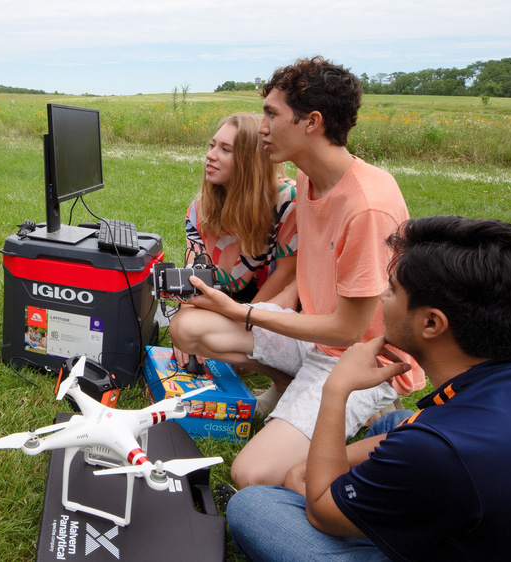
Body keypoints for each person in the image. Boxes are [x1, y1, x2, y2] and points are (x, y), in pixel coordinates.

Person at [226, 215, 511, 561]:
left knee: (255, 508)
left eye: (392, 289)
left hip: (455, 484)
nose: (380, 297)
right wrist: (312, 473)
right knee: (397, 424)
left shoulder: (440, 449)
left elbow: (322, 509)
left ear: (432, 323)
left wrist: (337, 389)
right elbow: (421, 441)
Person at [169, 57, 426, 489]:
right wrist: (252, 313)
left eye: (271, 114)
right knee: (187, 327)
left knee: (251, 474)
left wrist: (244, 312)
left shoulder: (367, 205)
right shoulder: (308, 183)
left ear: (312, 122)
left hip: (360, 359)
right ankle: (295, 392)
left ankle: (384, 428)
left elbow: (349, 331)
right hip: (313, 339)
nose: (262, 128)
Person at [172, 112, 298, 413]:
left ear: (251, 160)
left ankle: (289, 382)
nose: (210, 156)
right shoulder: (200, 208)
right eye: (212, 145)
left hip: (282, 305)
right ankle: (283, 378)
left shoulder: (288, 201)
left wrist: (243, 325)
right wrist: (185, 313)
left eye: (225, 150)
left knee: (226, 343)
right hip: (230, 301)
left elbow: (286, 277)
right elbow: (194, 275)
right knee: (185, 329)